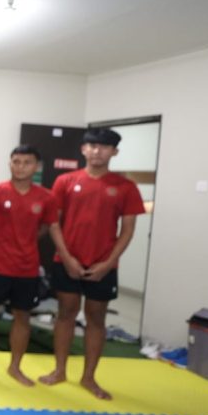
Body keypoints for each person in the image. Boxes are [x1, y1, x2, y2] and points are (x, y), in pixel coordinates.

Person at [40, 128, 145, 400]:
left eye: (104, 147)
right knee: (66, 313)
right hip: (67, 260)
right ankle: (59, 370)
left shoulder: (126, 187)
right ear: (83, 150)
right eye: (92, 146)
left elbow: (129, 230)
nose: (97, 151)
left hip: (104, 265)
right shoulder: (65, 181)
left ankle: (89, 378)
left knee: (96, 318)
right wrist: (66, 257)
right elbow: (54, 223)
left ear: (114, 152)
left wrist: (109, 263)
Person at [0, 145, 58, 385]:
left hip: (27, 268)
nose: (20, 167)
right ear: (10, 164)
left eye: (26, 162)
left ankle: (15, 367)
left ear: (37, 167)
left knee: (22, 316)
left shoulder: (46, 197)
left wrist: (25, 243)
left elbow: (45, 227)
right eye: (16, 162)